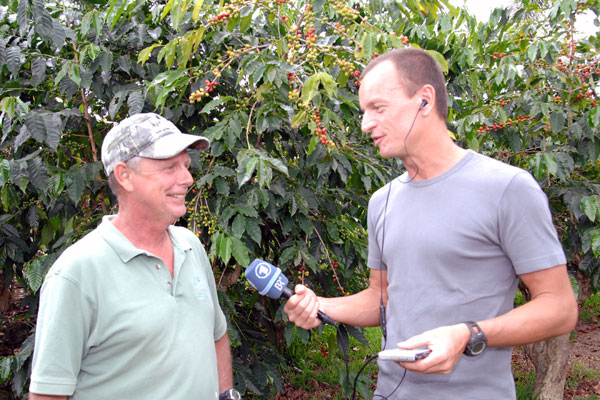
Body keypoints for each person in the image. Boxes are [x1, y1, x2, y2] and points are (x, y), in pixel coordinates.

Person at [283, 48, 578, 399]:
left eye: (378, 108)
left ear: (424, 100)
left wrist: (467, 334)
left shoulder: (507, 188)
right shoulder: (382, 201)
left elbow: (560, 308)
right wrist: (320, 305)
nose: (365, 125)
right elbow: (382, 298)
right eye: (364, 111)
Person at [29, 113, 242, 400]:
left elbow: (216, 334)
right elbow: (48, 393)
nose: (188, 179)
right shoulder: (76, 273)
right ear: (124, 176)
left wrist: (227, 395)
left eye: (186, 166)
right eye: (169, 168)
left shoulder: (190, 246)